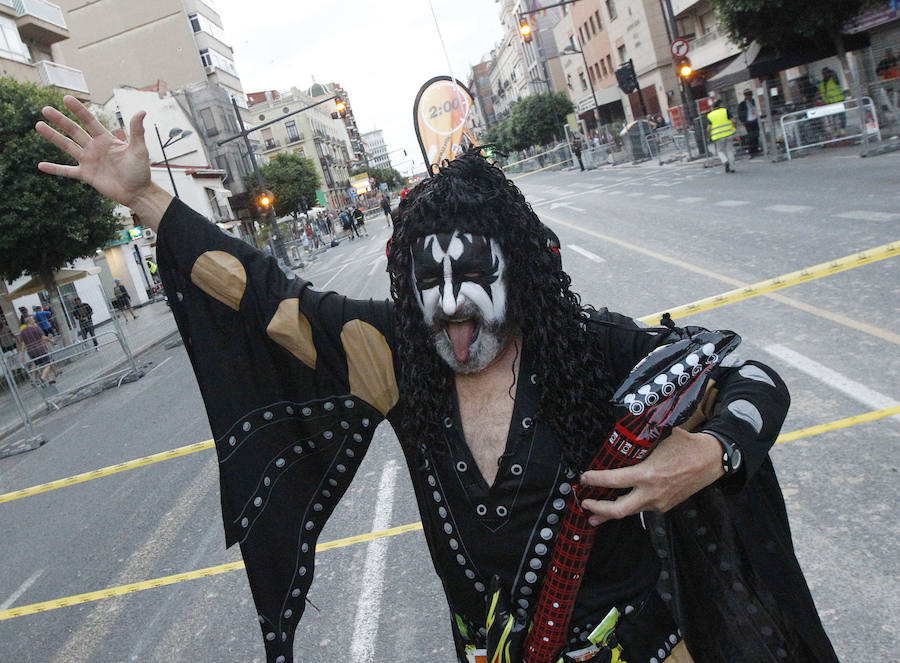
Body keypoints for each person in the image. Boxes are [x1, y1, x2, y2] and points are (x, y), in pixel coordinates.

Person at [36, 96, 838, 663]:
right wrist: (144, 195)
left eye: (471, 275)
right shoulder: (398, 358)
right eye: (430, 279)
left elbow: (751, 372)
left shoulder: (592, 348)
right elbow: (267, 298)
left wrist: (709, 452)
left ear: (517, 274)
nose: (450, 303)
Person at [17, 316, 57, 384]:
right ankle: (42, 377)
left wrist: (22, 355)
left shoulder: (22, 332)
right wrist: (51, 340)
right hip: (40, 349)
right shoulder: (36, 328)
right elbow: (43, 337)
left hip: (31, 352)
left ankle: (49, 379)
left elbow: (23, 344)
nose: (34, 320)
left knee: (41, 365)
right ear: (30, 321)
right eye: (33, 319)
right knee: (48, 363)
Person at [707, 99, 737, 173]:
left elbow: (708, 128)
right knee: (729, 150)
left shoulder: (710, 115)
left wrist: (709, 136)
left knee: (720, 151)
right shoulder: (725, 111)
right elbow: (734, 121)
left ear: (713, 107)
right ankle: (732, 167)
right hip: (729, 133)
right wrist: (734, 128)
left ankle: (725, 161)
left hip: (718, 136)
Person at [736, 89, 761, 157]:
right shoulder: (742, 104)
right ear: (745, 96)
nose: (749, 96)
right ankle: (751, 151)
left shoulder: (754, 102)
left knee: (756, 135)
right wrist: (744, 122)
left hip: (755, 120)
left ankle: (756, 149)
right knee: (751, 136)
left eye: (750, 94)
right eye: (747, 95)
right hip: (748, 122)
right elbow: (740, 113)